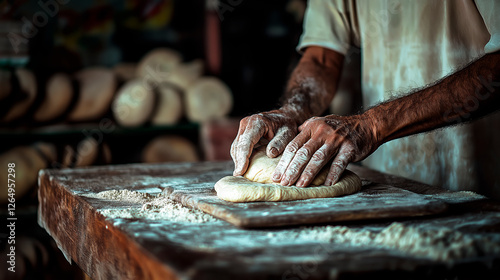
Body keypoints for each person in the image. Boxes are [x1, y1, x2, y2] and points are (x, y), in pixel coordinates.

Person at [230, 0, 500, 199]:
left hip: (481, 180)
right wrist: (292, 110)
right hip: (387, 186)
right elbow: (322, 59)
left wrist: (370, 127)